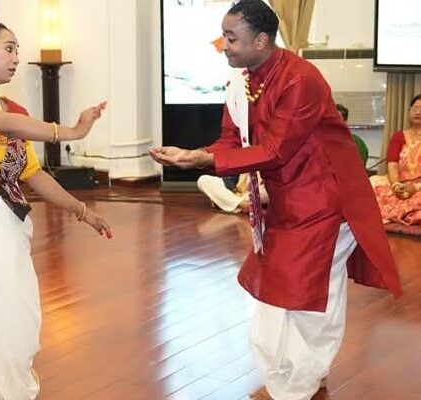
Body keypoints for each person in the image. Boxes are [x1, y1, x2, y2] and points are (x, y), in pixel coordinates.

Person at [149, 1, 402, 399]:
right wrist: (195, 154)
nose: (223, 46)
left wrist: (205, 159)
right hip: (288, 200)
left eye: (231, 38)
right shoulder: (242, 81)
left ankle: (298, 384)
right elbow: (231, 141)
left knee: (312, 294)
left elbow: (275, 150)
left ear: (261, 40)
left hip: (328, 200)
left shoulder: (301, 79)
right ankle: (295, 375)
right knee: (279, 287)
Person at [0, 6, 112, 400]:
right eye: (8, 49)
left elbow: (32, 172)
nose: (15, 58)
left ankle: (8, 384)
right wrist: (72, 131)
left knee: (8, 301)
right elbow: (0, 125)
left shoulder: (13, 110)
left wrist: (83, 211)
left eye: (17, 50)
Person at [370, 94, 421, 225]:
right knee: (372, 184)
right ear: (409, 111)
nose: (418, 112)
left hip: (419, 187)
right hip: (399, 182)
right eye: (415, 108)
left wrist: (416, 187)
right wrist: (396, 186)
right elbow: (392, 165)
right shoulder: (398, 136)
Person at [196, 173, 268, 213]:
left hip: (259, 191)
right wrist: (232, 191)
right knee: (203, 180)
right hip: (237, 192)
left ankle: (226, 202)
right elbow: (230, 180)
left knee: (264, 192)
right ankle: (242, 204)